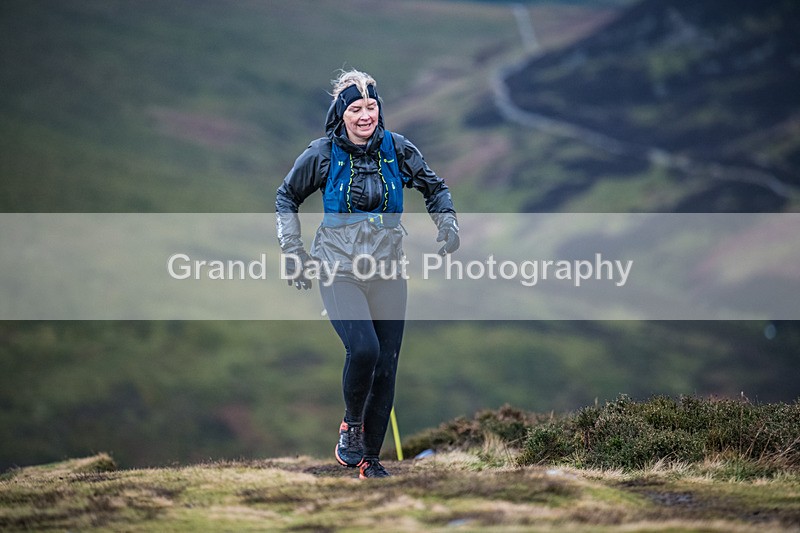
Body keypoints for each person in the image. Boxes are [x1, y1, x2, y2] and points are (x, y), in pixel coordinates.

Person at [275, 69, 459, 479]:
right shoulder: (321, 154)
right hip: (337, 268)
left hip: (389, 268)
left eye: (371, 107)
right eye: (356, 108)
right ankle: (351, 427)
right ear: (341, 113)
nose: (365, 115)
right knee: (364, 351)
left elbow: (435, 186)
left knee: (387, 365)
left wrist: (448, 223)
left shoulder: (397, 148)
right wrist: (292, 250)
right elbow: (286, 196)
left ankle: (370, 461)